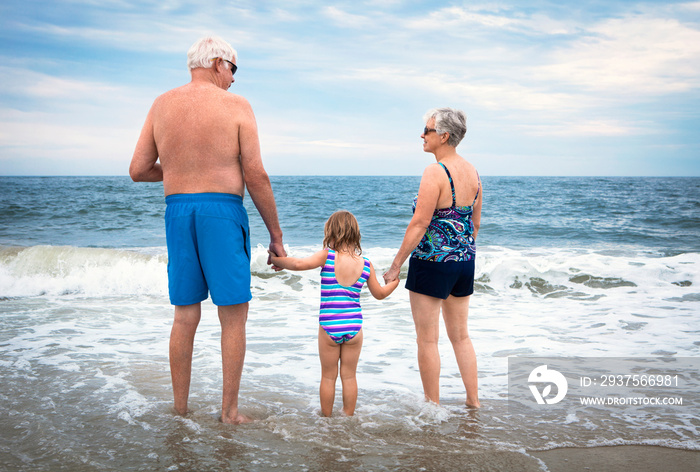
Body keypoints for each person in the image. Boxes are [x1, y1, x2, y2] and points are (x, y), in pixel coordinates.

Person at [129, 35, 286, 424]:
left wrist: (182, 171)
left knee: (185, 315)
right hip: (221, 211)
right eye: (234, 70)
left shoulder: (161, 104)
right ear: (219, 63)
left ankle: (180, 410)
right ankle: (229, 412)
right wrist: (276, 237)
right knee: (233, 313)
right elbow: (256, 174)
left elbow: (138, 170)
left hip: (178, 212)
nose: (234, 79)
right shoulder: (236, 106)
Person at [383, 107, 482, 408]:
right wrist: (460, 254)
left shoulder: (435, 172)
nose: (422, 135)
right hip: (464, 263)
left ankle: (432, 407)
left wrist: (395, 265)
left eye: (426, 130)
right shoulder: (473, 172)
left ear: (444, 135)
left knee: (427, 340)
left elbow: (420, 223)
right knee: (461, 337)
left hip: (431, 264)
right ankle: (473, 402)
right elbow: (474, 224)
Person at [269, 211, 399, 416]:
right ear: (355, 234)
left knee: (328, 377)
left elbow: (298, 264)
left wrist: (277, 260)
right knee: (349, 377)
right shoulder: (366, 264)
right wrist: (394, 283)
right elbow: (380, 294)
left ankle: (327, 419)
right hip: (354, 327)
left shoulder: (327, 256)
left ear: (331, 232)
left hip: (329, 326)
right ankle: (348, 416)